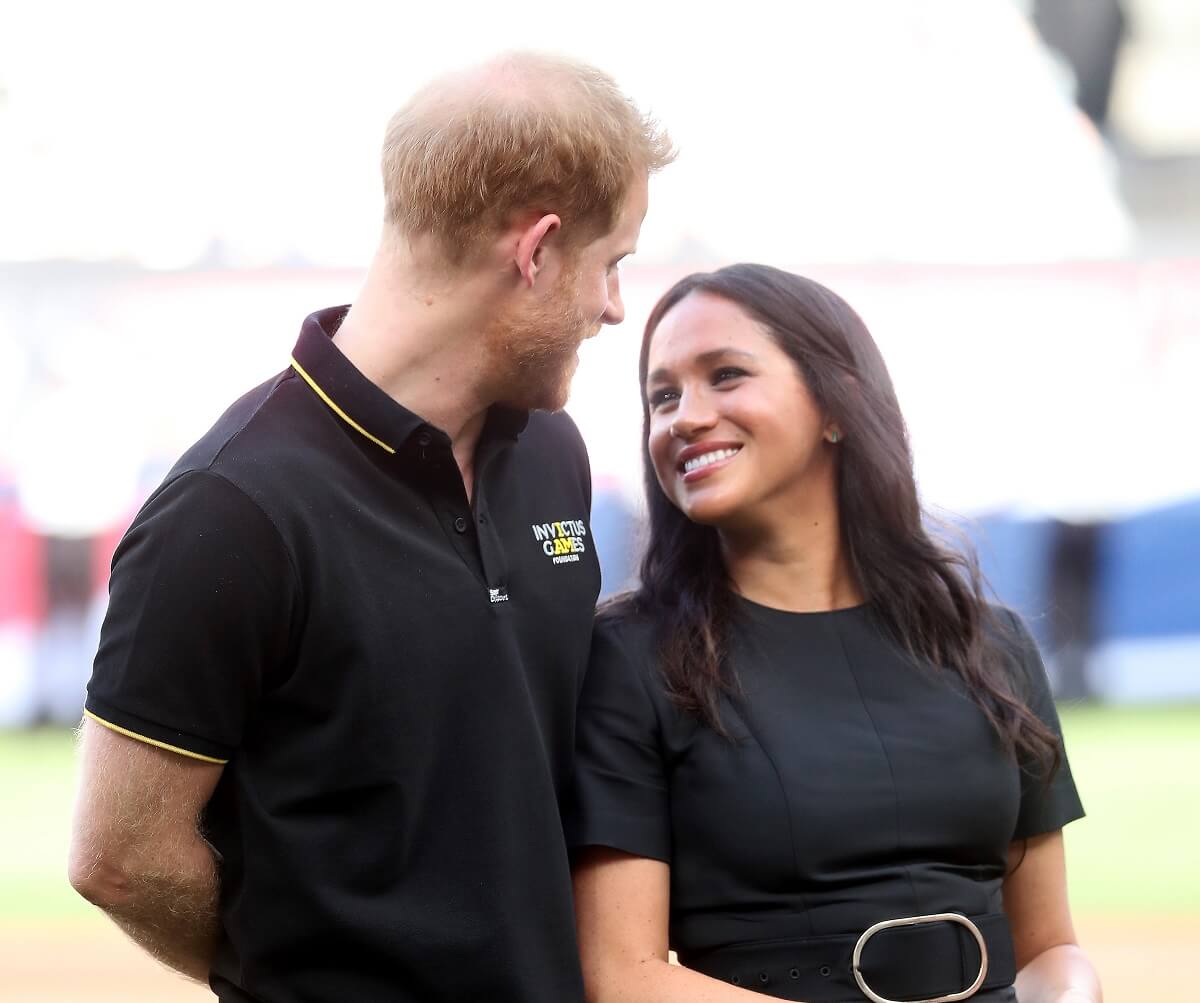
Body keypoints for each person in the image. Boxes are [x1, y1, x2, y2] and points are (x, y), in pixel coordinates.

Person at [68, 52, 673, 1003]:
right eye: (612, 264)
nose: (612, 306)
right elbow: (119, 856)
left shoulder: (553, 452)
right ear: (538, 249)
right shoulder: (232, 509)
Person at [569, 264, 1102, 1003]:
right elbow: (621, 975)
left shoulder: (991, 643)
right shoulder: (630, 659)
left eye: (725, 375)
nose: (684, 416)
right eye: (662, 396)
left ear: (837, 403)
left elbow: (1050, 948)